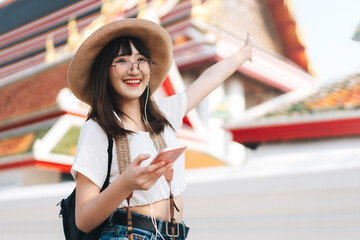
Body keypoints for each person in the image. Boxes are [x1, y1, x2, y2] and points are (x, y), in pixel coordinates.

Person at [67, 18, 252, 240]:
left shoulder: (164, 114)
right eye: (122, 61)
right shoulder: (97, 128)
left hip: (174, 235)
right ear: (104, 73)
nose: (134, 69)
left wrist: (243, 54)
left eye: (141, 60)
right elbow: (84, 219)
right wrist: (125, 184)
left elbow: (210, 78)